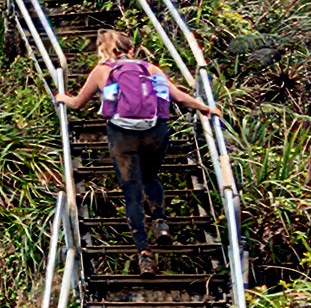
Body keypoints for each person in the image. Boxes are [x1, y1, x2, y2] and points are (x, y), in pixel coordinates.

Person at [63, 29, 224, 271]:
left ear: (104, 50)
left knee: (132, 193)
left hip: (122, 135)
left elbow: (77, 103)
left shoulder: (102, 71)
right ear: (131, 50)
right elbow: (177, 96)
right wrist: (205, 108)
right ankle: (161, 222)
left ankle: (145, 254)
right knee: (150, 177)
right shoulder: (150, 69)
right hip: (155, 133)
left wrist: (62, 98)